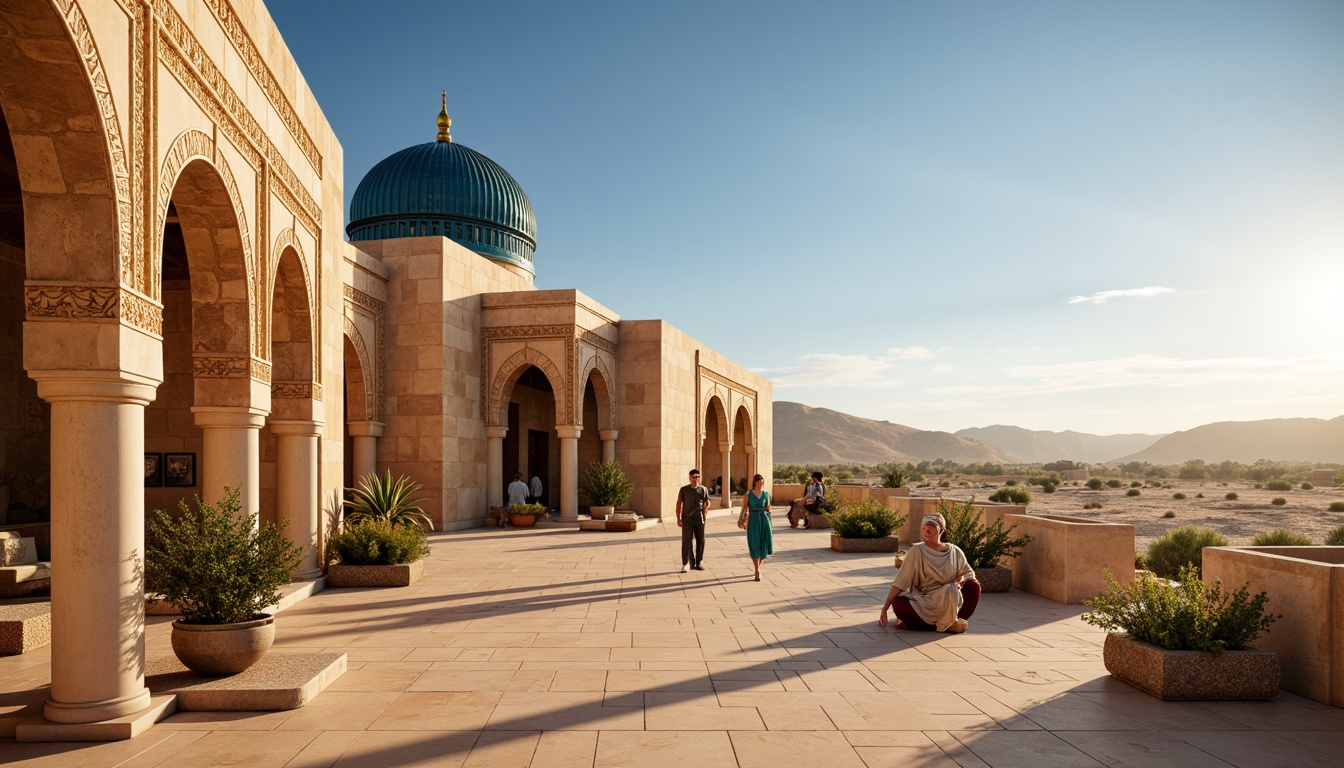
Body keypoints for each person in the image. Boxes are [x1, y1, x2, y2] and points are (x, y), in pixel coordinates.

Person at [878, 512, 980, 633]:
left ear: (942, 529)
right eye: (925, 527)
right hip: (924, 600)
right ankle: (947, 624)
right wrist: (885, 608)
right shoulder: (917, 550)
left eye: (932, 526)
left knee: (973, 586)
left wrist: (959, 583)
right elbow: (900, 581)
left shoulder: (954, 551)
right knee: (899, 604)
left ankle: (937, 622)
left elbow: (968, 574)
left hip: (949, 599)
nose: (927, 530)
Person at [737, 474, 773, 581]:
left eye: (761, 481)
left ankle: (758, 567)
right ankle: (757, 570)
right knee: (754, 544)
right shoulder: (748, 494)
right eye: (758, 481)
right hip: (753, 520)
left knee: (764, 545)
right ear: (754, 482)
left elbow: (768, 509)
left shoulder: (766, 494)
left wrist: (770, 525)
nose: (760, 483)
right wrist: (741, 520)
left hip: (764, 520)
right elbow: (744, 508)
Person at [675, 468, 710, 573]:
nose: (696, 479)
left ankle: (699, 561)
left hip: (699, 518)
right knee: (686, 541)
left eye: (698, 477)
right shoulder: (684, 490)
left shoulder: (703, 489)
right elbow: (679, 503)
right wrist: (678, 518)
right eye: (694, 477)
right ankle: (687, 563)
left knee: (701, 540)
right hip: (687, 518)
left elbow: (706, 502)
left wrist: (706, 510)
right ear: (690, 478)